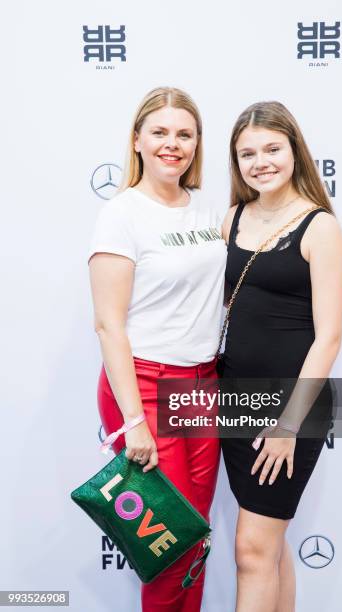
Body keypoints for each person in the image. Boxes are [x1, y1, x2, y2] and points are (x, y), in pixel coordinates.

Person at [87, 86, 227, 611]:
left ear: (197, 145)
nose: (174, 144)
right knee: (165, 544)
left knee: (194, 535)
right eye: (161, 132)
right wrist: (133, 420)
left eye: (185, 134)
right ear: (138, 140)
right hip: (144, 386)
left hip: (201, 385)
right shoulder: (122, 214)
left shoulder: (206, 210)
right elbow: (107, 325)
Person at [220, 101, 342, 611]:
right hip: (234, 401)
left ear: (295, 149)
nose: (261, 162)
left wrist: (288, 425)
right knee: (268, 549)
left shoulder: (320, 228)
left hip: (290, 408)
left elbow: (330, 337)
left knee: (252, 550)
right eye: (247, 153)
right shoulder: (231, 218)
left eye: (272, 148)